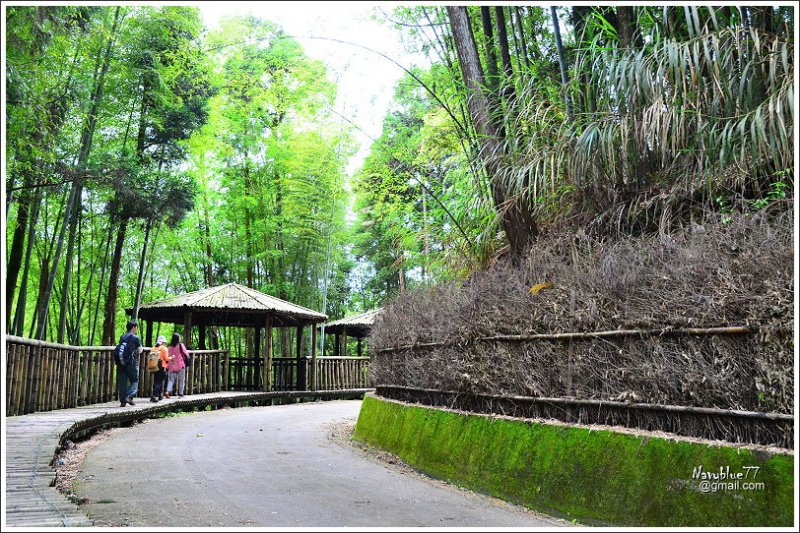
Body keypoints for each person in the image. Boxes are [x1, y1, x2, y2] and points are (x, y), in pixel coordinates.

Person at [116, 320, 143, 407]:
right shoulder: (135, 337)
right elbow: (140, 350)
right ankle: (130, 396)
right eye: (136, 328)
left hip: (120, 362)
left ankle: (123, 401)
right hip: (131, 362)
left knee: (122, 382)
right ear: (133, 327)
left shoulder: (122, 336)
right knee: (135, 379)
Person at [149, 335, 173, 402]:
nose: (165, 344)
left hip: (154, 366)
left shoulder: (153, 348)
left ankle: (160, 395)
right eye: (164, 342)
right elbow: (166, 358)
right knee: (159, 382)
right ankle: (153, 396)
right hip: (161, 367)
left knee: (156, 381)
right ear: (162, 342)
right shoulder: (164, 348)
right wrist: (172, 358)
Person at [165, 333, 189, 398]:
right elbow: (186, 353)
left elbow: (168, 356)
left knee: (171, 380)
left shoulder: (169, 347)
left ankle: (167, 391)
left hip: (172, 366)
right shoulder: (181, 345)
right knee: (181, 380)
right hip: (181, 365)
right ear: (178, 339)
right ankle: (181, 394)